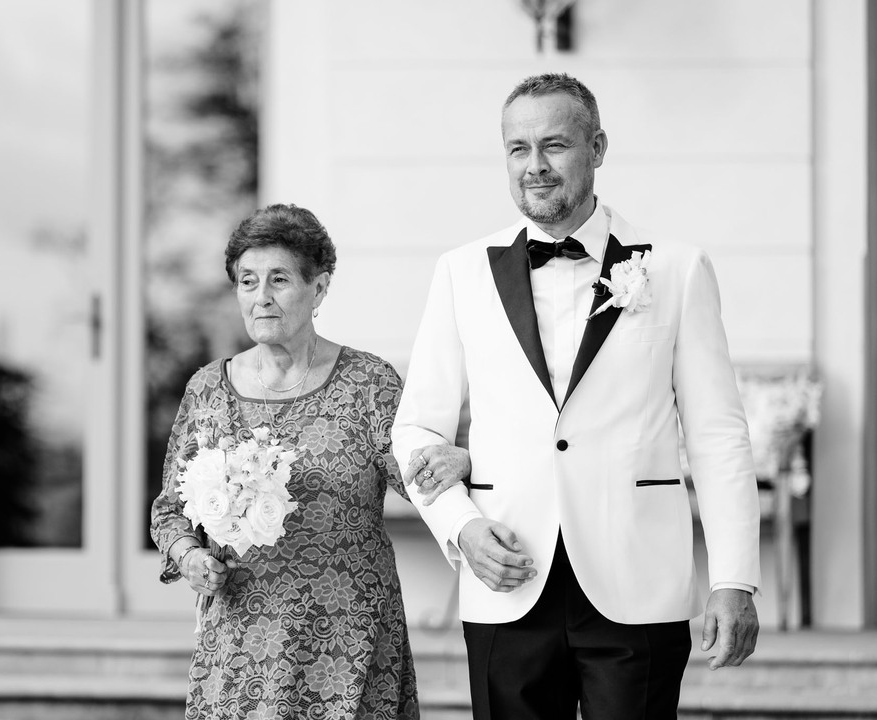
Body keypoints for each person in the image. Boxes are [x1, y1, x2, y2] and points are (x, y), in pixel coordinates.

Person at [391, 73, 760, 719]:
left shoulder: (676, 269)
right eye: (517, 148)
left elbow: (717, 435)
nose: (535, 166)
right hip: (505, 575)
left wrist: (734, 579)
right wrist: (462, 528)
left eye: (555, 145)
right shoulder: (460, 271)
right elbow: (416, 431)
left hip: (637, 579)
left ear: (598, 147)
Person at [150, 203, 419, 720]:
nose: (261, 298)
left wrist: (458, 461)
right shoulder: (209, 388)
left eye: (279, 280)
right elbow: (170, 510)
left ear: (318, 288)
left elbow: (418, 481)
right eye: (248, 282)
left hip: (349, 643)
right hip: (242, 646)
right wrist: (191, 558)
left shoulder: (369, 384)